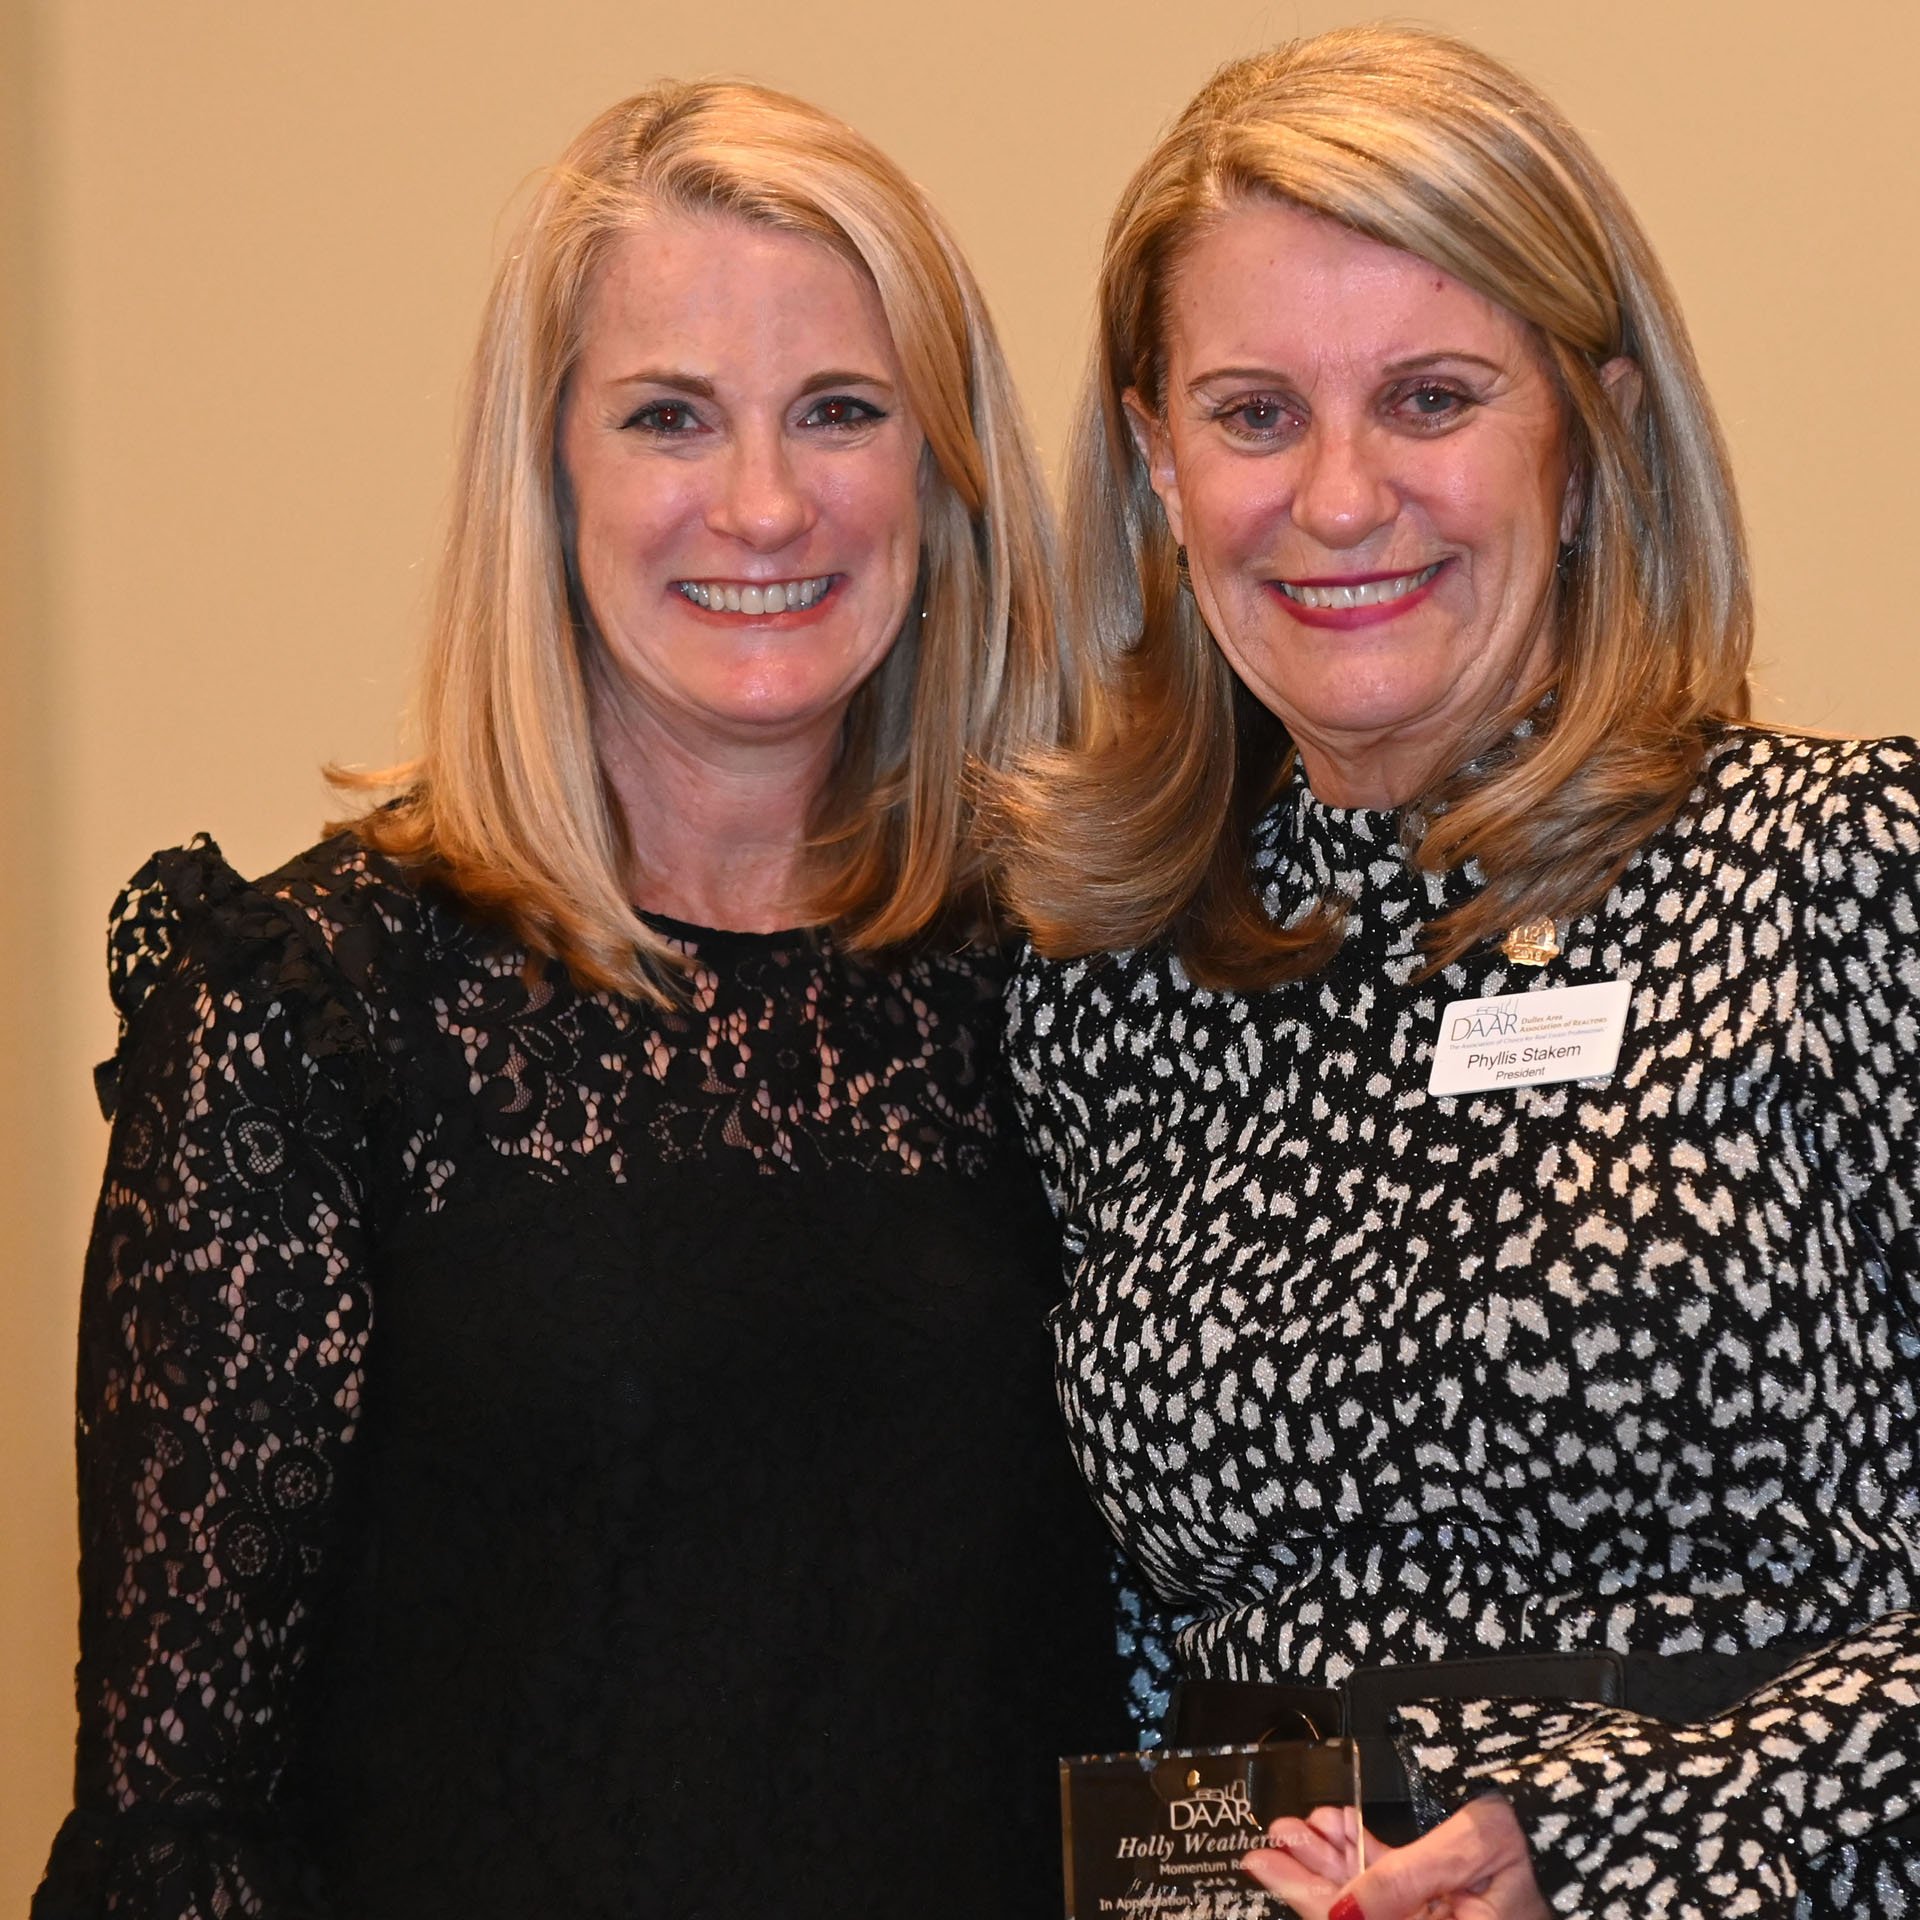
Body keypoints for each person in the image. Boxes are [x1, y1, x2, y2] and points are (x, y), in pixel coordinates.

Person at [35, 80, 1126, 1920]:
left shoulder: (1079, 981)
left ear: (942, 475)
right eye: (668, 418)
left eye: (841, 412)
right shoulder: (310, 1023)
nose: (766, 502)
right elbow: (178, 1823)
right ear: (546, 476)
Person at [997, 25, 1920, 1920]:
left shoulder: (1846, 876)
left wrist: (1602, 1848)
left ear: (1589, 440)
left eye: (1430, 398)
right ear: (1157, 464)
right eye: (1254, 414)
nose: (1340, 500)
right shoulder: (1097, 988)